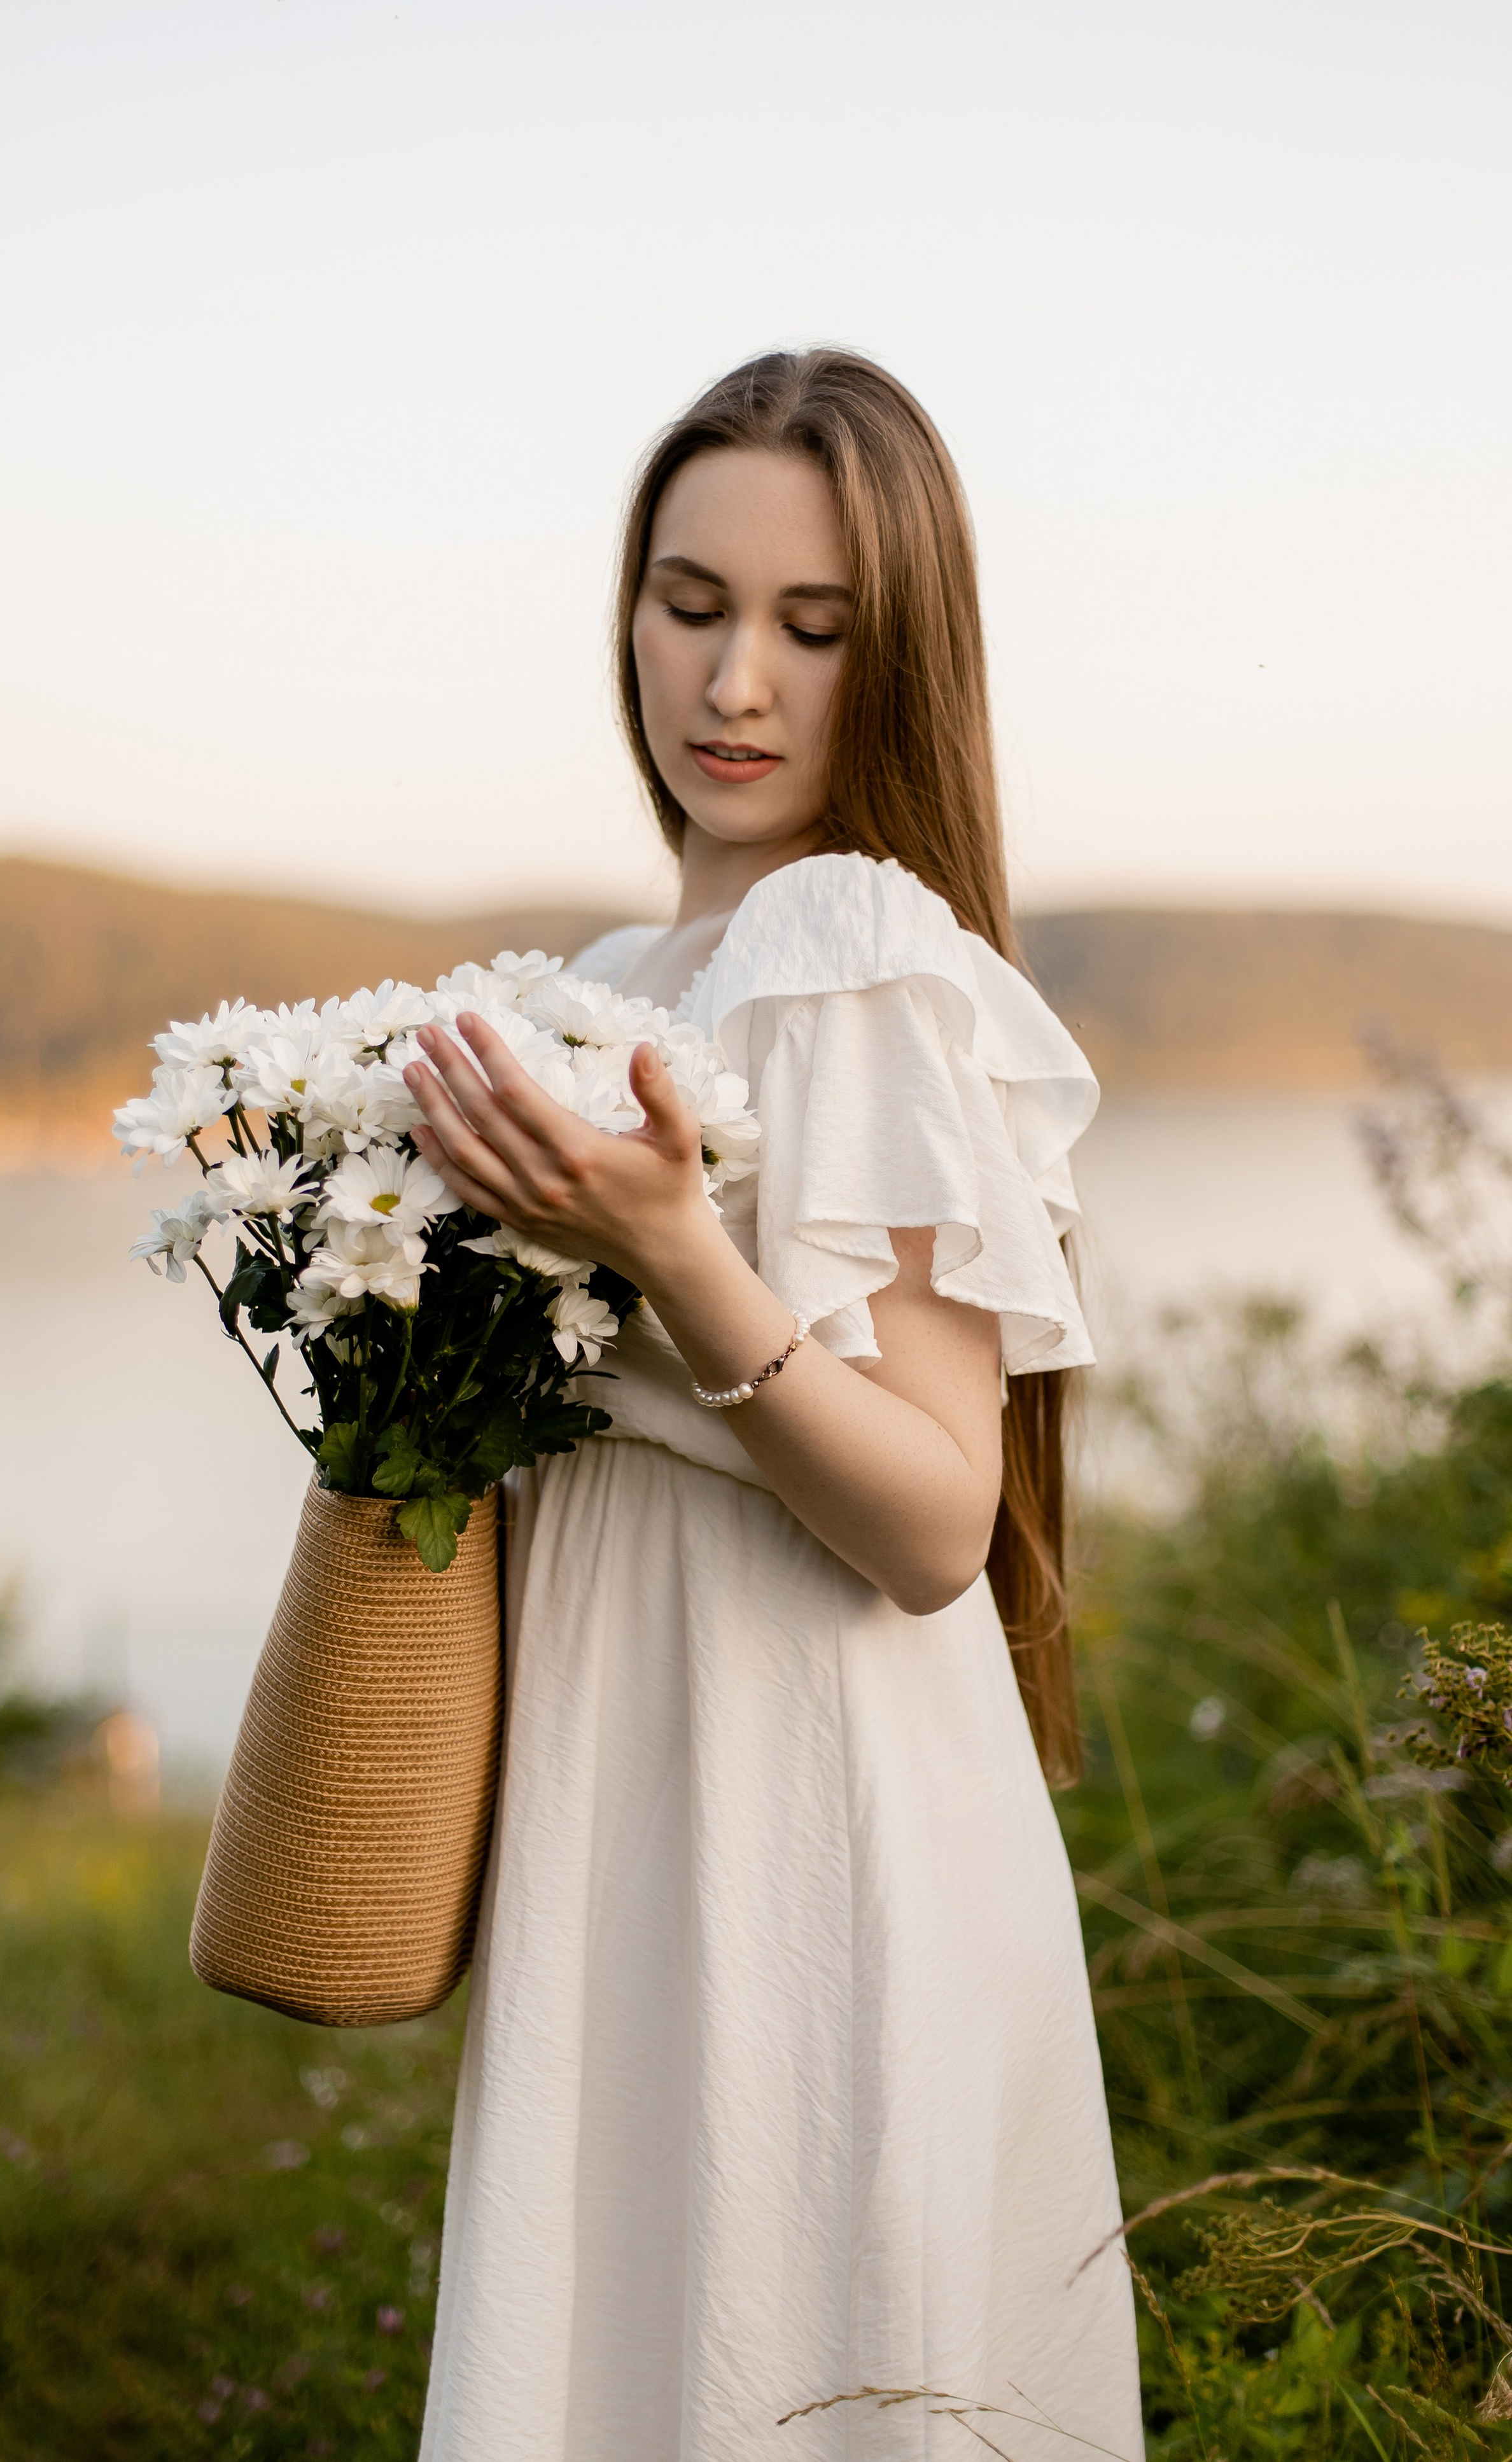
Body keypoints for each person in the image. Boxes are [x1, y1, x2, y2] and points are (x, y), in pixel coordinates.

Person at [403, 350, 1142, 2461]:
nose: (735, 682)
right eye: (689, 601)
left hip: (808, 1806)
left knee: (787, 2356)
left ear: (900, 658)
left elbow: (934, 1527)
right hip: (627, 1788)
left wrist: (673, 1250)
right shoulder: (608, 982)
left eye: (814, 628)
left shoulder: (853, 944)